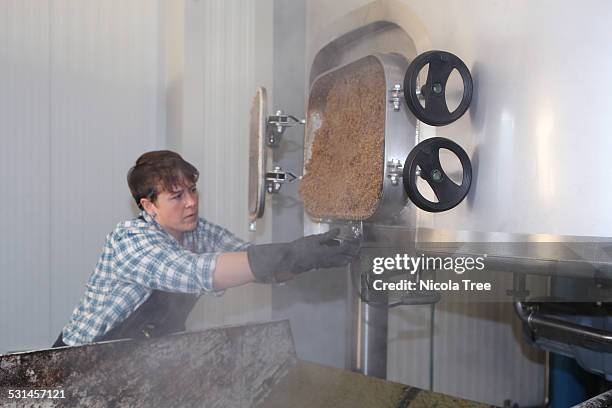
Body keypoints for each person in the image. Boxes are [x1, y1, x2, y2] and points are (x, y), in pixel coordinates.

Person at [53, 151, 359, 347]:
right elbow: (195, 272)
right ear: (148, 206)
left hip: (143, 358)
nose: (191, 202)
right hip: (80, 361)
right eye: (176, 196)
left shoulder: (199, 231)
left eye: (192, 190)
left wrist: (309, 257)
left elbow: (254, 264)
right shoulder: (129, 239)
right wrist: (290, 252)